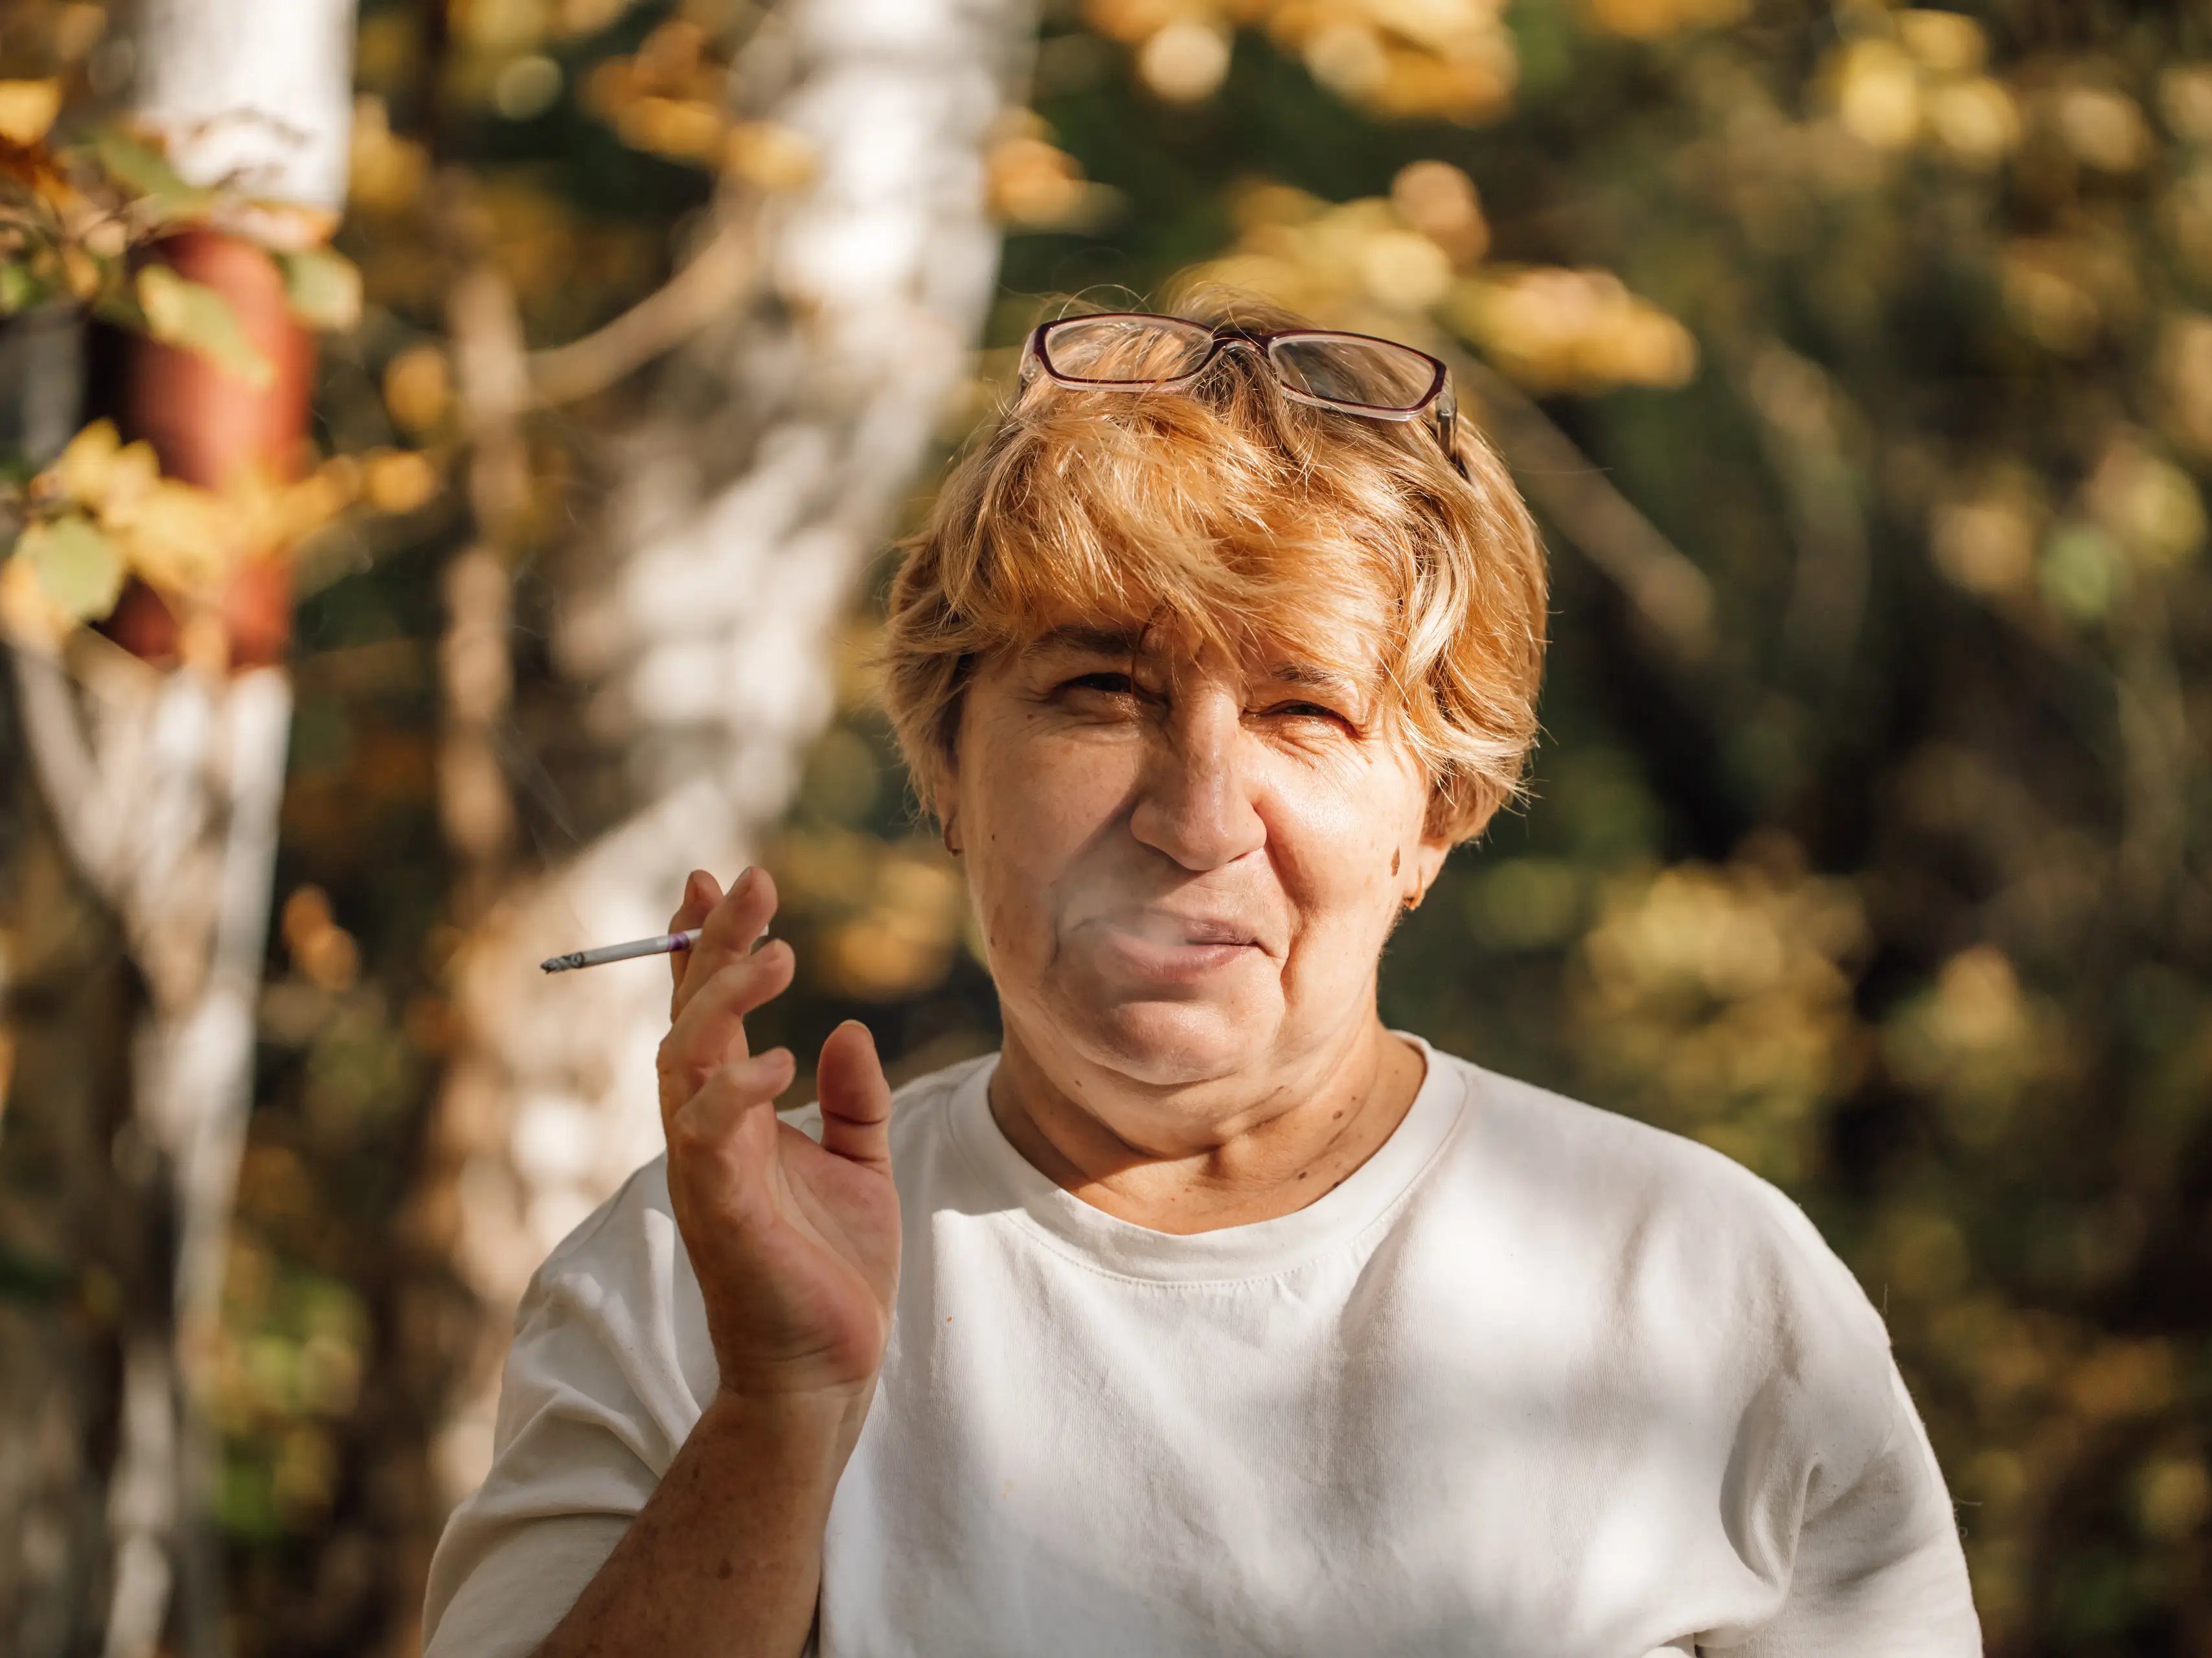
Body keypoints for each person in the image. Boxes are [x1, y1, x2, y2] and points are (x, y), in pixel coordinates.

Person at [422, 300, 1980, 1656]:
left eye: (1307, 710)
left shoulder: (1699, 1284)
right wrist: (777, 1411)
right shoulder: (692, 1277)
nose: (1194, 812)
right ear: (947, 766)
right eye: (1102, 689)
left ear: (1437, 816)